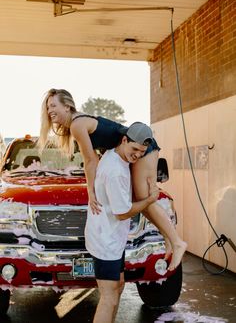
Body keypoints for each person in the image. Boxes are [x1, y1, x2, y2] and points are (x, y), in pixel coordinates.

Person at [38, 88, 187, 270]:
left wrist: (91, 192)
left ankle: (177, 242)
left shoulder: (77, 125)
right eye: (47, 107)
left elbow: (90, 160)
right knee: (140, 199)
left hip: (140, 147)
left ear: (67, 106)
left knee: (143, 197)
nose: (49, 110)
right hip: (134, 147)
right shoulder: (78, 122)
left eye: (53, 105)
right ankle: (169, 238)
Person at [85, 122, 159, 323]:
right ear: (124, 140)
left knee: (119, 285)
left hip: (113, 238)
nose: (137, 155)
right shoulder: (115, 171)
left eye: (141, 152)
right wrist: (150, 200)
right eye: (134, 149)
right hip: (106, 242)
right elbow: (123, 213)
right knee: (108, 297)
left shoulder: (114, 154)